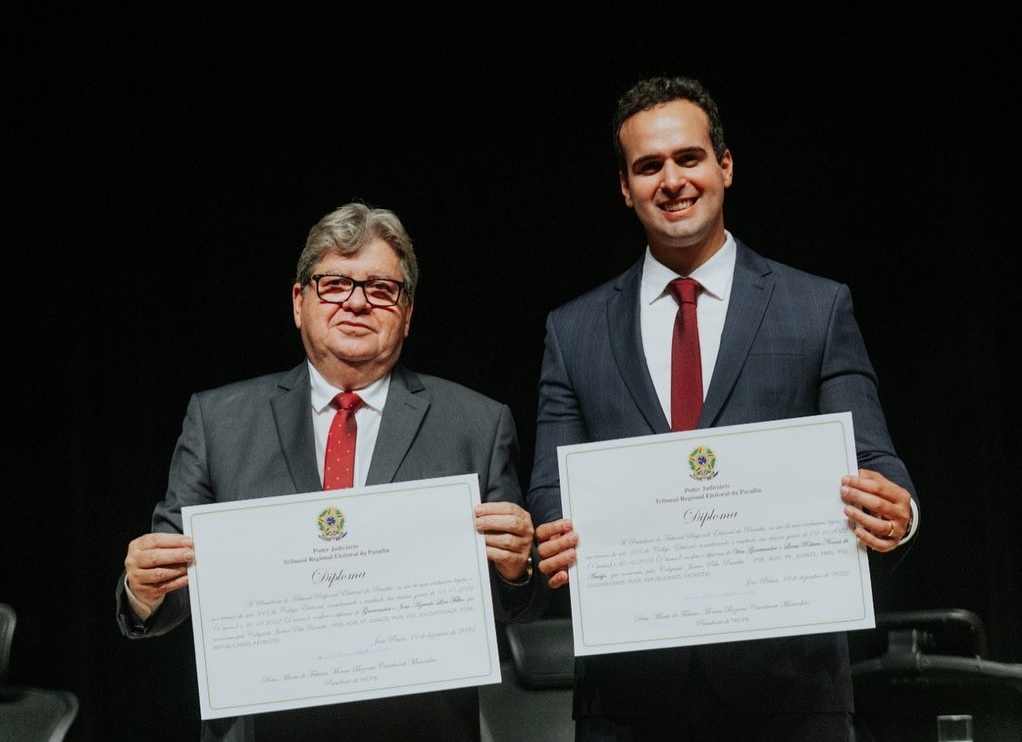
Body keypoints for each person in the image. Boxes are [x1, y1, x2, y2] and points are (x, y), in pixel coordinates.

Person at [528, 75, 919, 741]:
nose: (672, 181)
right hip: (629, 698)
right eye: (648, 166)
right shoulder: (574, 330)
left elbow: (875, 460)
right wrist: (551, 536)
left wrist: (900, 511)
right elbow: (549, 488)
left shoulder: (817, 309)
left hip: (793, 694)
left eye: (689, 158)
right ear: (625, 188)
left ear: (725, 166)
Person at [115, 202, 545, 742]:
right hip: (261, 728)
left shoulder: (477, 425)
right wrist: (143, 592)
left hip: (418, 728)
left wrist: (515, 572)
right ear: (299, 303)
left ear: (407, 313)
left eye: (381, 289)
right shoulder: (218, 422)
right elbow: (173, 589)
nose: (357, 303)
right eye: (335, 284)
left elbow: (518, 603)